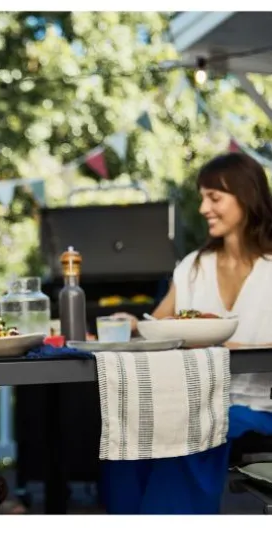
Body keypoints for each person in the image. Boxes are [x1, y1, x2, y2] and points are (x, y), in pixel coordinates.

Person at [104, 152, 272, 513]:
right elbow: (158, 325)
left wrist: (232, 346)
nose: (203, 208)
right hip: (195, 397)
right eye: (202, 198)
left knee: (194, 425)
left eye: (214, 198)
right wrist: (133, 325)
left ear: (246, 197)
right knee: (129, 428)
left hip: (260, 406)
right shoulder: (195, 266)